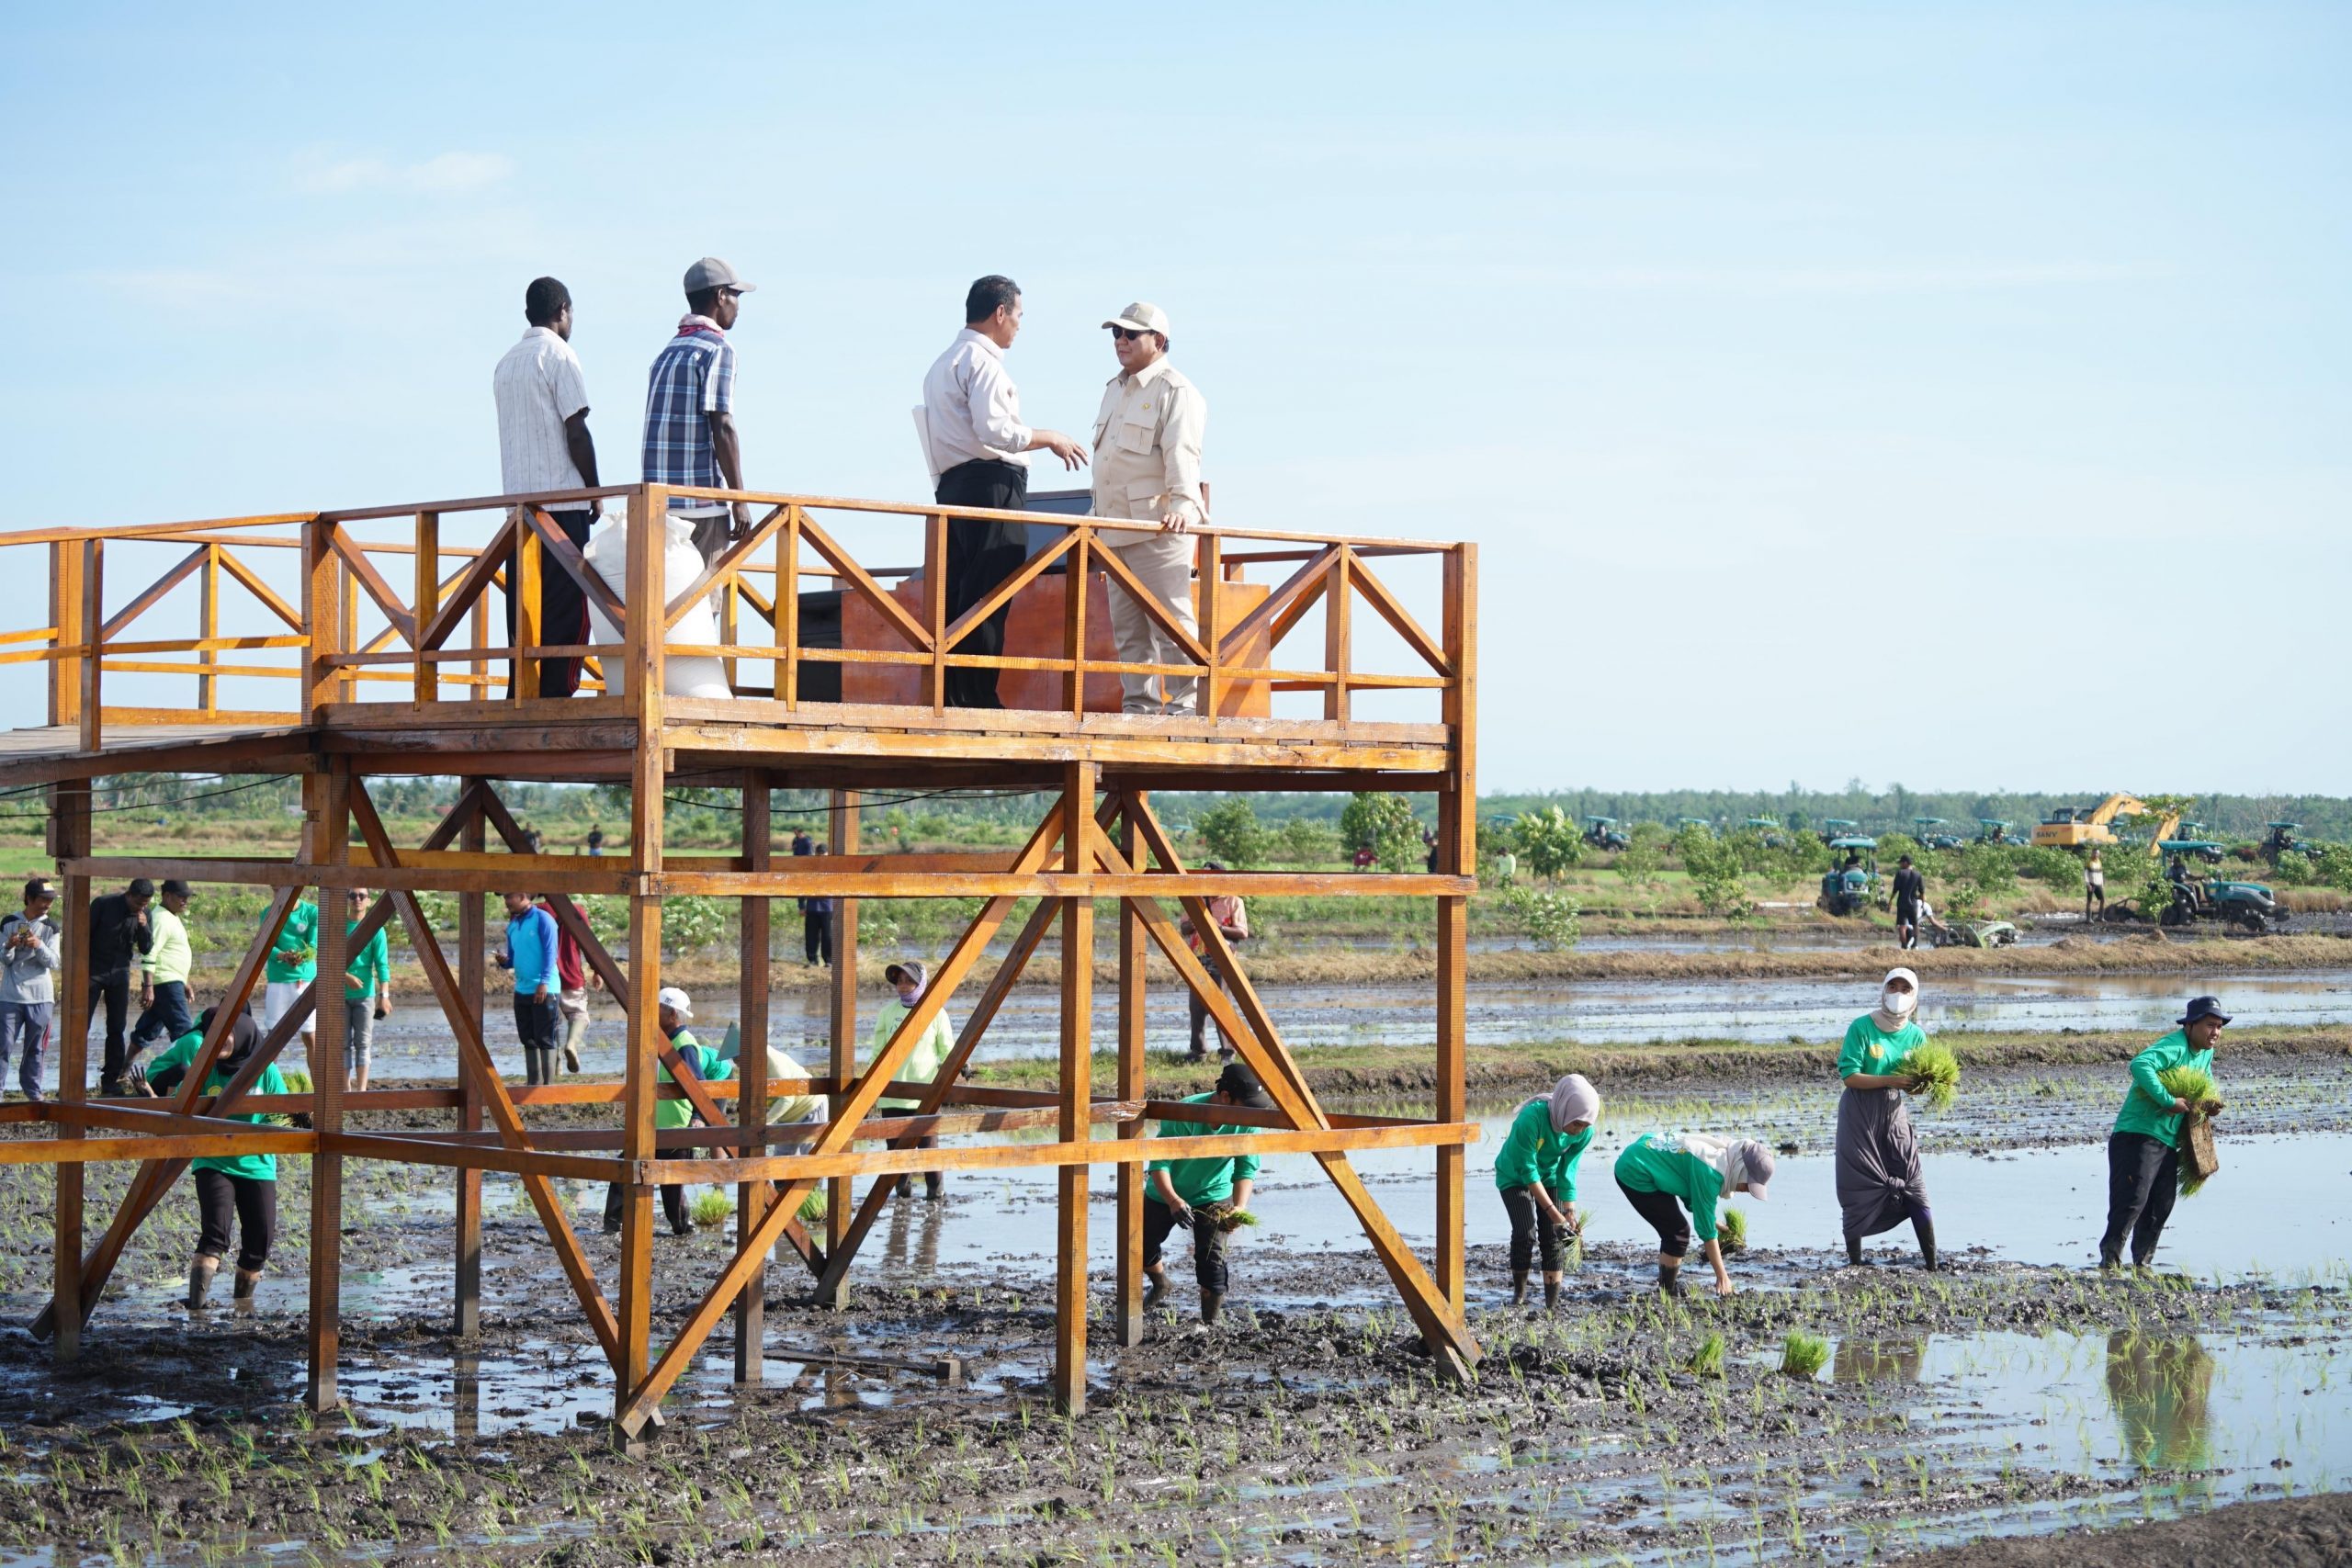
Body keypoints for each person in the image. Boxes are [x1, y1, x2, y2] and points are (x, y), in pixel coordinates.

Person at [919, 275, 1090, 708]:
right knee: (991, 589)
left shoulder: (942, 364)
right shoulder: (983, 362)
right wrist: (1048, 436)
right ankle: (978, 695)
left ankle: (952, 691)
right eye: (1017, 316)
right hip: (991, 484)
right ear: (999, 314)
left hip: (952, 485)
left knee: (959, 588)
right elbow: (995, 430)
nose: (1018, 326)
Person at [1088, 301, 1206, 716]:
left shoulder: (1176, 391)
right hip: (1113, 527)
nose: (1120, 341)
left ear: (1157, 341)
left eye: (1130, 334)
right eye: (1116, 334)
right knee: (1129, 632)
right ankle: (1138, 708)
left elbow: (1183, 455)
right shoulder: (1114, 389)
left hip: (1157, 526)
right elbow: (1106, 464)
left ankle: (1187, 707)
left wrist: (1183, 507)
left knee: (1172, 624)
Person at [492, 275, 602, 698]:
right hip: (561, 504)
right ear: (563, 312)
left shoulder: (506, 364)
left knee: (524, 609)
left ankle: (522, 695)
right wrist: (594, 490)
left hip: (518, 510)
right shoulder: (560, 356)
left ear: (527, 315)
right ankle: (558, 696)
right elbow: (577, 431)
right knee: (569, 607)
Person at [145, 1010, 294, 1310]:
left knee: (259, 1243)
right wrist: (149, 1094)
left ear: (242, 1035)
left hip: (257, 1165)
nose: (221, 1041)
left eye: (227, 1034)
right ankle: (197, 1308)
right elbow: (177, 1113)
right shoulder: (205, 1070)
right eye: (216, 1034)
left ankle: (242, 1308)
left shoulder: (266, 1072)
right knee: (215, 1235)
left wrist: (301, 1116)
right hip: (213, 1162)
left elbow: (285, 1117)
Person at [1142, 1062, 1273, 1325]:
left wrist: (1239, 1206)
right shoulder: (1186, 1112)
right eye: (1247, 1106)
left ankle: (1209, 1326)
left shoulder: (1248, 1122)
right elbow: (1160, 1162)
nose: (1252, 1114)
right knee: (1139, 1248)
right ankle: (1161, 1284)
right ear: (1225, 1097)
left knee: (1212, 1264)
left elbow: (1246, 1166)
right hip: (1165, 1193)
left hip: (1214, 1195)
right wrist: (1173, 1200)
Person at [2099, 997, 2226, 1270]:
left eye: (2219, 1026)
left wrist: (2210, 1102)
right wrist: (2168, 1101)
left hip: (2167, 1139)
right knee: (2132, 1201)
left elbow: (2206, 1082)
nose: (2215, 1032)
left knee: (2161, 1205)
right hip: (2137, 1134)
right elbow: (2140, 1065)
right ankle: (2110, 1262)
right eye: (2209, 1025)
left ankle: (2142, 1265)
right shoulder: (2174, 1046)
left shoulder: (2205, 1052)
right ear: (2190, 1025)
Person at [644, 256, 755, 563]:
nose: (738, 304)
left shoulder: (667, 352)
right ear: (720, 296)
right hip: (701, 507)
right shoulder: (718, 348)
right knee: (704, 605)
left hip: (660, 507)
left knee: (666, 604)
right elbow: (722, 426)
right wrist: (739, 499)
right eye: (736, 295)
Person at [603, 987, 732, 1236]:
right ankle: (614, 1224)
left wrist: (697, 1118)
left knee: (671, 1185)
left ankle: (683, 1229)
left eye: (658, 1009)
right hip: (657, 1124)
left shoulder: (684, 1045)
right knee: (624, 1167)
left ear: (672, 1014)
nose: (653, 1014)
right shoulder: (665, 1042)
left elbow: (699, 1087)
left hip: (676, 1127)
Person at [1835, 966, 1938, 1269]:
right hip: (1859, 1115)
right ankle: (1856, 1262)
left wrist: (1926, 1085)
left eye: (1905, 989)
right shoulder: (1862, 1027)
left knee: (1914, 1183)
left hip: (1894, 1114)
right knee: (1856, 1185)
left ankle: (1932, 1264)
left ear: (1915, 996)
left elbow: (1915, 1085)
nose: (1898, 994)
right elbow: (1850, 1076)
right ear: (1883, 991)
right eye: (1892, 987)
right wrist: (1891, 1080)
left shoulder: (1917, 1036)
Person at [1612, 1130, 1773, 1296]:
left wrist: (1713, 1221)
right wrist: (1722, 1276)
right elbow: (1706, 1232)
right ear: (1740, 1169)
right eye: (1748, 1184)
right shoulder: (1711, 1171)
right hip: (1634, 1170)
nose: (1747, 1190)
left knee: (1676, 1230)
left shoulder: (1718, 1156)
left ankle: (1666, 1286)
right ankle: (1667, 1292)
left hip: (1643, 1158)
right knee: (1677, 1233)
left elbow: (1685, 1182)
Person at [1493, 1074, 1599, 1311]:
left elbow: (1568, 1171)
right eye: (1576, 1123)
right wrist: (1553, 1212)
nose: (1578, 1130)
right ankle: (1519, 1296)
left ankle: (1551, 1304)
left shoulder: (1584, 1132)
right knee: (1525, 1232)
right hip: (1514, 1175)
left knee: (1554, 1237)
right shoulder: (1531, 1119)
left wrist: (1569, 1213)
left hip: (1549, 1176)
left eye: (1584, 1125)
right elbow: (1527, 1169)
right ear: (1565, 1109)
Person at [873, 959, 956, 1200]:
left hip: (924, 1095)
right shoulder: (887, 1014)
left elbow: (946, 1050)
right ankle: (903, 1198)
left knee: (928, 1149)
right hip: (892, 1095)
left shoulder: (937, 1013)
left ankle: (936, 1197)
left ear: (921, 983)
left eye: (909, 980)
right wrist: (871, 1087)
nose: (903, 985)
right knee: (896, 1152)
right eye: (899, 980)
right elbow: (878, 1052)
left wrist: (962, 1066)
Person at [87, 878, 155, 1096]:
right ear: (129, 895)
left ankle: (110, 1081)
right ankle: (73, 1077)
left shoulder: (145, 915)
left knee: (116, 1028)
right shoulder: (103, 904)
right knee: (81, 1025)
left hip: (120, 974)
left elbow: (146, 949)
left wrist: (144, 926)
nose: (141, 907)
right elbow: (83, 936)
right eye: (138, 903)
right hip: (93, 972)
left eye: (145, 904)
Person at [1179, 865, 1249, 1060]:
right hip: (1198, 958)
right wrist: (1192, 925)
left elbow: (1242, 932)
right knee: (1196, 1006)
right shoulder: (1195, 899)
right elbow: (1184, 928)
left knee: (1222, 1006)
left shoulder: (1233, 901)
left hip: (1222, 959)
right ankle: (1198, 1050)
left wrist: (1217, 928)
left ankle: (1228, 1052)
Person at [0, 879, 61, 1102]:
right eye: (44, 900)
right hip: (10, 995)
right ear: (29, 898)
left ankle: (33, 1091)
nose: (47, 905)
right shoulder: (9, 922)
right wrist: (9, 946)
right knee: (3, 1044)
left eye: (50, 900)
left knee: (35, 1048)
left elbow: (54, 962)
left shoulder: (51, 927)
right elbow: (4, 960)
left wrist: (39, 945)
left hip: (41, 997)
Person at [494, 891, 560, 1086]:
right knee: (528, 1038)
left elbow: (551, 952)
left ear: (523, 896)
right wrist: (504, 962)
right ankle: (533, 1084)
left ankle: (548, 1087)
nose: (506, 902)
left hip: (544, 988)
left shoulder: (543, 919)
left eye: (509, 897)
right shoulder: (513, 926)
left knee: (545, 1037)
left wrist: (544, 982)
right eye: (505, 898)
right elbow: (513, 960)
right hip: (522, 989)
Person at [130, 880, 197, 1069]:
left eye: (187, 897)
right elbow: (150, 952)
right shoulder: (160, 918)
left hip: (170, 981)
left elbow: (170, 954)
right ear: (166, 896)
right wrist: (148, 986)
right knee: (184, 1031)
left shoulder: (170, 916)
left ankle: (123, 1071)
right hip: (165, 983)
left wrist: (184, 981)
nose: (185, 901)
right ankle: (189, 1076)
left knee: (146, 1031)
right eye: (180, 897)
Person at [341, 887, 391, 1093]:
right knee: (342, 1044)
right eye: (352, 895)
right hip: (340, 993)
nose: (357, 900)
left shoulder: (376, 930)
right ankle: (345, 1089)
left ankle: (361, 1090)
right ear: (347, 900)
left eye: (362, 896)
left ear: (369, 901)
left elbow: (382, 965)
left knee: (363, 1043)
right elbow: (326, 957)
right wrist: (346, 977)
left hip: (365, 995)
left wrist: (384, 996)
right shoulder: (338, 927)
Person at [259, 891, 320, 1063]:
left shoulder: (312, 912)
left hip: (305, 979)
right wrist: (283, 956)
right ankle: (271, 1086)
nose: (281, 893)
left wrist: (302, 955)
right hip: (279, 979)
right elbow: (265, 945)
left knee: (310, 1036)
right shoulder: (268, 913)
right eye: (276, 889)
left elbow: (314, 944)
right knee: (273, 1037)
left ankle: (317, 1087)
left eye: (284, 889)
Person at [538, 893, 594, 1074]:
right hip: (571, 973)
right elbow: (588, 943)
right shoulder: (576, 910)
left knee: (549, 1020)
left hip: (545, 977)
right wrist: (597, 970)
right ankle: (571, 1044)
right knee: (578, 1013)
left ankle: (556, 1065)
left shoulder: (538, 911)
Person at [1891, 855, 1926, 951]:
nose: (1900, 865)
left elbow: (1895, 889)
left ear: (1905, 863)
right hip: (1913, 904)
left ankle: (1904, 947)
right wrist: (1922, 903)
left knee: (1902, 926)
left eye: (1901, 863)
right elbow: (1922, 891)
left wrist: (1890, 901)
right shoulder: (1918, 874)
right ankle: (1915, 944)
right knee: (1915, 924)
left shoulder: (1900, 873)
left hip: (1902, 903)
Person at [2085, 851, 2106, 920]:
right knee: (2089, 900)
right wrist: (2088, 884)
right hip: (2091, 884)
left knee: (2103, 899)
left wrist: (2102, 884)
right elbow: (2086, 874)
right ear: (2092, 854)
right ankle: (2088, 918)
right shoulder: (2089, 863)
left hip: (2098, 884)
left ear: (2099, 854)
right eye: (2094, 853)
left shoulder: (2099, 863)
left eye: (2097, 853)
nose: (2096, 855)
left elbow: (2101, 874)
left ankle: (2101, 917)